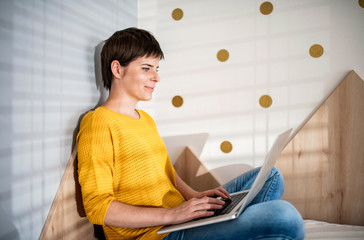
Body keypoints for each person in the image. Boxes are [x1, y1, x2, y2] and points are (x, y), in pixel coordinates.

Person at [77, 27, 305, 240]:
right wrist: (173, 215)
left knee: (272, 176)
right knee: (285, 216)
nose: (156, 77)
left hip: (181, 217)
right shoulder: (98, 123)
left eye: (157, 69)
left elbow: (167, 172)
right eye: (146, 68)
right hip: (159, 232)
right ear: (117, 69)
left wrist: (193, 196)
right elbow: (99, 209)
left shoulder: (145, 119)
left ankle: (232, 221)